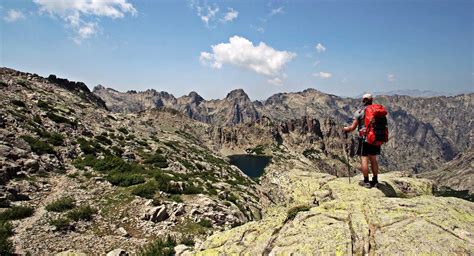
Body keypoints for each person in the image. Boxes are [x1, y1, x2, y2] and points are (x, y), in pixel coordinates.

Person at [343, 93, 380, 188]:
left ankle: (366, 181)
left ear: (364, 100)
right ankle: (375, 180)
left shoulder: (359, 112)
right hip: (375, 138)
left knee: (364, 159)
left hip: (365, 139)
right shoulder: (377, 111)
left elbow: (352, 128)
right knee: (373, 159)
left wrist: (345, 129)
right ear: (372, 100)